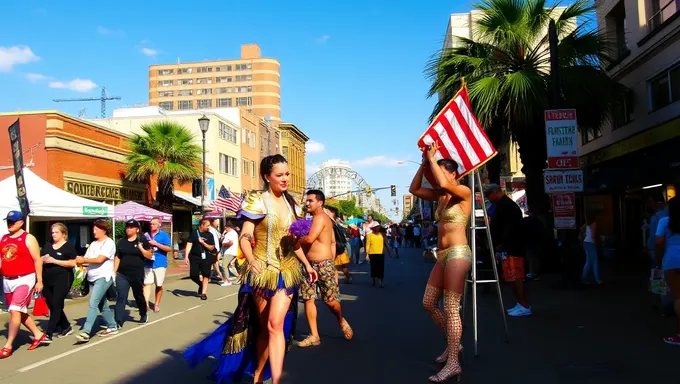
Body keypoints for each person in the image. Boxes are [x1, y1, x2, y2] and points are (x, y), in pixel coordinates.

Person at [184, 154, 318, 384]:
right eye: (279, 175)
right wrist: (249, 258)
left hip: (287, 272)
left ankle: (276, 380)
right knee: (264, 328)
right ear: (267, 176)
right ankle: (258, 372)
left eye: (287, 174)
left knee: (276, 324)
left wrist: (306, 264)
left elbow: (293, 243)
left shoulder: (292, 203)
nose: (285, 179)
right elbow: (246, 236)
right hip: (260, 273)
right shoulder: (257, 200)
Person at [409, 143, 472, 382]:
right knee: (428, 303)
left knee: (451, 307)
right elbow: (414, 189)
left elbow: (445, 183)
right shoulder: (439, 196)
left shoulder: (462, 192)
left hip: (458, 252)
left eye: (441, 172)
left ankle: (454, 362)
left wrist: (432, 158)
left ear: (453, 174)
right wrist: (425, 162)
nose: (436, 177)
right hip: (442, 255)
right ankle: (454, 343)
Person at [298, 190, 353, 348]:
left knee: (330, 302)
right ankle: (314, 335)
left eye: (310, 201)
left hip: (323, 264)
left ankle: (341, 320)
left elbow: (309, 239)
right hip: (309, 265)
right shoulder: (315, 218)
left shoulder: (321, 217)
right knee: (308, 298)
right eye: (306, 201)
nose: (307, 203)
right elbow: (333, 242)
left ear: (320, 202)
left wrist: (292, 240)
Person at [0, 211, 46, 358]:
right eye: (8, 221)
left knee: (15, 310)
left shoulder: (28, 238)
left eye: (13, 221)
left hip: (24, 279)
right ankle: (38, 334)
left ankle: (8, 345)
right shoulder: (4, 238)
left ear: (21, 222)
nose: (10, 224)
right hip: (7, 280)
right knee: (20, 311)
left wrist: (39, 280)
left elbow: (37, 260)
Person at [484, 183, 531, 317]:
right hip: (508, 245)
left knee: (516, 276)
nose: (488, 198)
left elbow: (509, 227)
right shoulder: (502, 205)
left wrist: (502, 243)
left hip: (513, 246)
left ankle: (524, 304)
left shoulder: (507, 206)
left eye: (488, 195)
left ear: (495, 192)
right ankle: (520, 303)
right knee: (511, 276)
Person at [40, 223, 78, 343]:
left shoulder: (68, 247)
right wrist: (42, 260)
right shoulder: (47, 245)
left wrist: (54, 261)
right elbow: (40, 259)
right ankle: (66, 326)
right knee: (51, 304)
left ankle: (49, 333)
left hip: (63, 277)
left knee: (56, 303)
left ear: (63, 234)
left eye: (56, 232)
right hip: (47, 278)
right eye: (52, 232)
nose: (54, 234)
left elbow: (73, 263)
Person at [114, 219, 153, 327]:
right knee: (121, 296)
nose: (129, 229)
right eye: (127, 227)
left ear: (137, 229)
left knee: (138, 295)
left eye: (131, 227)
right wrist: (114, 272)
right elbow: (118, 257)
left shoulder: (142, 240)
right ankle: (117, 321)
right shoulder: (121, 242)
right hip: (122, 274)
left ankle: (143, 313)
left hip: (136, 274)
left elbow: (149, 255)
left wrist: (141, 248)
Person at [655, 197, 680, 344]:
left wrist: (658, 259)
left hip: (671, 260)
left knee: (678, 297)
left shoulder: (664, 221)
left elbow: (658, 242)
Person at [143, 218, 172, 313]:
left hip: (160, 263)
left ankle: (156, 304)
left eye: (154, 224)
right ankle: (146, 304)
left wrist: (156, 244)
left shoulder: (164, 235)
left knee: (158, 285)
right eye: (151, 224)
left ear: (159, 224)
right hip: (148, 263)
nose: (152, 226)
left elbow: (169, 248)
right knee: (147, 283)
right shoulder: (146, 235)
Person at [185, 218, 217, 300]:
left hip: (206, 257)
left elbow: (212, 247)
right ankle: (201, 284)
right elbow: (189, 244)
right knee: (193, 275)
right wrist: (186, 256)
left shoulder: (210, 235)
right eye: (207, 225)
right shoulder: (194, 233)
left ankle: (203, 293)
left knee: (205, 275)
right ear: (202, 225)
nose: (209, 227)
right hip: (194, 257)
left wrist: (203, 243)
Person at [325, 205, 352, 284]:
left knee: (337, 267)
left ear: (332, 213)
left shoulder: (332, 224)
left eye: (327, 211)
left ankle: (337, 282)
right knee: (339, 267)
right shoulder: (336, 224)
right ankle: (346, 278)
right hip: (339, 248)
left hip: (337, 249)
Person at [366, 222, 391, 287]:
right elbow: (368, 245)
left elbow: (385, 243)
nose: (377, 228)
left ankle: (380, 282)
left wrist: (389, 251)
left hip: (380, 253)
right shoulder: (369, 235)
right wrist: (367, 254)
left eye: (378, 226)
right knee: (373, 267)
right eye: (376, 227)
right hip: (372, 253)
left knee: (380, 268)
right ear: (373, 228)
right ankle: (373, 280)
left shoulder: (382, 234)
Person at [581, 212, 602, 284]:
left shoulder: (587, 225)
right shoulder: (593, 224)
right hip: (590, 244)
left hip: (586, 243)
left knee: (588, 262)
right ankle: (597, 279)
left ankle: (583, 278)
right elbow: (593, 236)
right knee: (595, 262)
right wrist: (596, 243)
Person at [219, 221, 239, 286]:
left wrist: (224, 244)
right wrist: (223, 234)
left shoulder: (231, 233)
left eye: (225, 228)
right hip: (232, 252)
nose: (225, 229)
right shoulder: (231, 233)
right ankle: (239, 277)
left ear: (229, 227)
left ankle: (227, 281)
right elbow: (221, 239)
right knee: (231, 265)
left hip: (229, 252)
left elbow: (231, 243)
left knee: (224, 265)